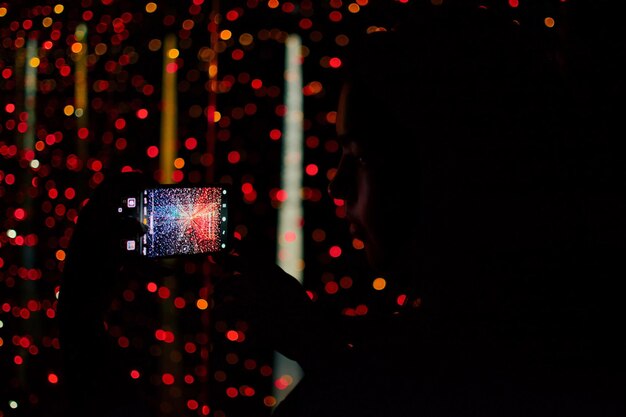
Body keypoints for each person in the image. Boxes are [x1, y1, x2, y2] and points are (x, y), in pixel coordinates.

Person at [58, 3, 625, 417]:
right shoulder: (570, 338)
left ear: (447, 163)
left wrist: (82, 323)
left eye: (358, 156)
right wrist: (322, 351)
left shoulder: (434, 369)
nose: (335, 184)